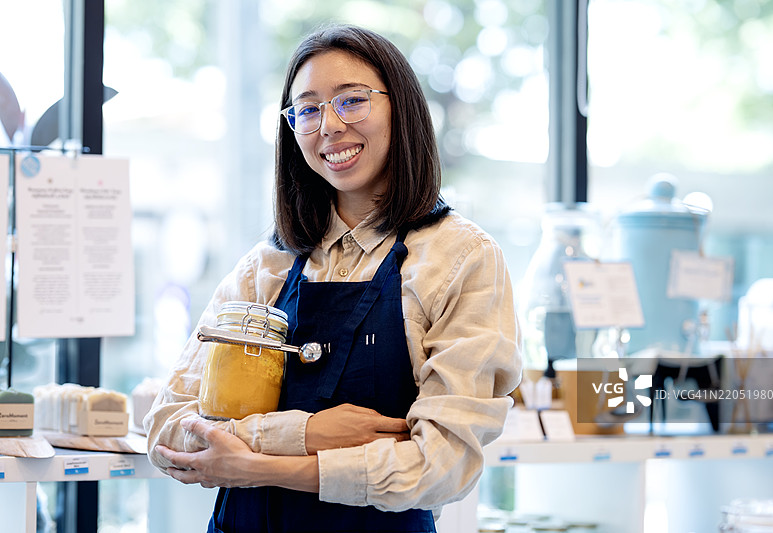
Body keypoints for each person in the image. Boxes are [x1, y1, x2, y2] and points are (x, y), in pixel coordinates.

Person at [145, 23, 522, 533]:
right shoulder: (266, 266)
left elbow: (441, 465)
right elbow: (168, 428)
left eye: (352, 101)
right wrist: (307, 433)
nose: (329, 125)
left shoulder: (460, 257)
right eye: (307, 110)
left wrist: (254, 466)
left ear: (401, 108)